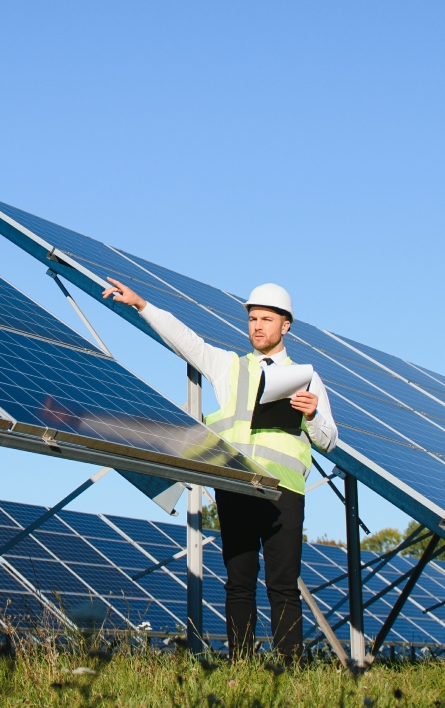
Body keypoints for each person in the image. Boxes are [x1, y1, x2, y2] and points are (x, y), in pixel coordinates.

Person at [100, 278, 337, 663]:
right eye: (252, 319)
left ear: (285, 325)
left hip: (286, 492)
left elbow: (329, 440)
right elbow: (186, 340)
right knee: (239, 583)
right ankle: (241, 665)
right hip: (238, 486)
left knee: (283, 586)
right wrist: (142, 304)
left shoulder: (307, 377)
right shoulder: (228, 367)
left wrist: (311, 415)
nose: (257, 326)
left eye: (266, 319)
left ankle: (291, 671)